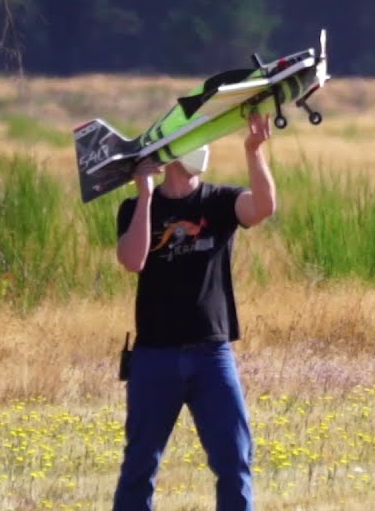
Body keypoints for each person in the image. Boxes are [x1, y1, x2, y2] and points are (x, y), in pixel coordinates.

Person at [112, 111, 276, 511]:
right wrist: (147, 194)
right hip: (154, 356)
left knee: (234, 459)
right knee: (139, 464)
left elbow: (263, 207)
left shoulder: (218, 202)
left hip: (211, 354)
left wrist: (254, 153)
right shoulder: (135, 207)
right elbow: (133, 260)